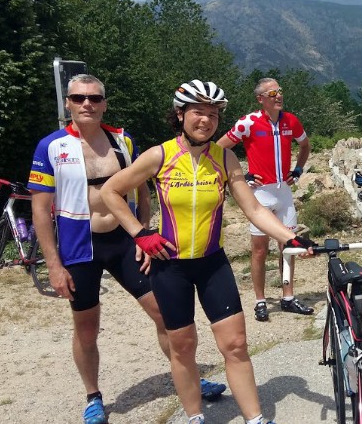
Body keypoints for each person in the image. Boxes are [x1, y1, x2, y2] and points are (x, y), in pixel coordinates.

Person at [102, 80, 313, 424]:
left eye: (213, 114)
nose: (206, 120)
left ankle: (255, 419)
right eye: (198, 112)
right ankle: (194, 416)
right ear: (180, 114)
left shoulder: (225, 157)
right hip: (171, 266)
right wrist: (140, 234)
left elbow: (254, 209)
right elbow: (110, 192)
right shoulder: (160, 155)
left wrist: (290, 238)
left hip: (213, 264)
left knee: (236, 345)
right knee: (183, 347)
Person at [27, 75, 226, 424]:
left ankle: (189, 376)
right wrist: (53, 266)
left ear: (104, 103)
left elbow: (142, 192)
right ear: (68, 103)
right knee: (86, 327)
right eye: (78, 98)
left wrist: (143, 234)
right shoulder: (51, 147)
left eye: (94, 98)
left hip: (123, 242)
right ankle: (93, 396)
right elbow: (41, 211)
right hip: (80, 246)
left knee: (164, 313)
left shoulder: (123, 140)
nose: (87, 104)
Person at [215, 78, 313, 322]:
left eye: (280, 91)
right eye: (272, 93)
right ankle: (260, 300)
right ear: (260, 99)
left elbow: (305, 145)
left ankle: (288, 296)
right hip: (260, 194)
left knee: (288, 247)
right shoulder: (249, 122)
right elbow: (218, 149)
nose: (278, 96)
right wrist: (242, 175)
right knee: (259, 250)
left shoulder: (291, 120)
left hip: (284, 192)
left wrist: (298, 170)